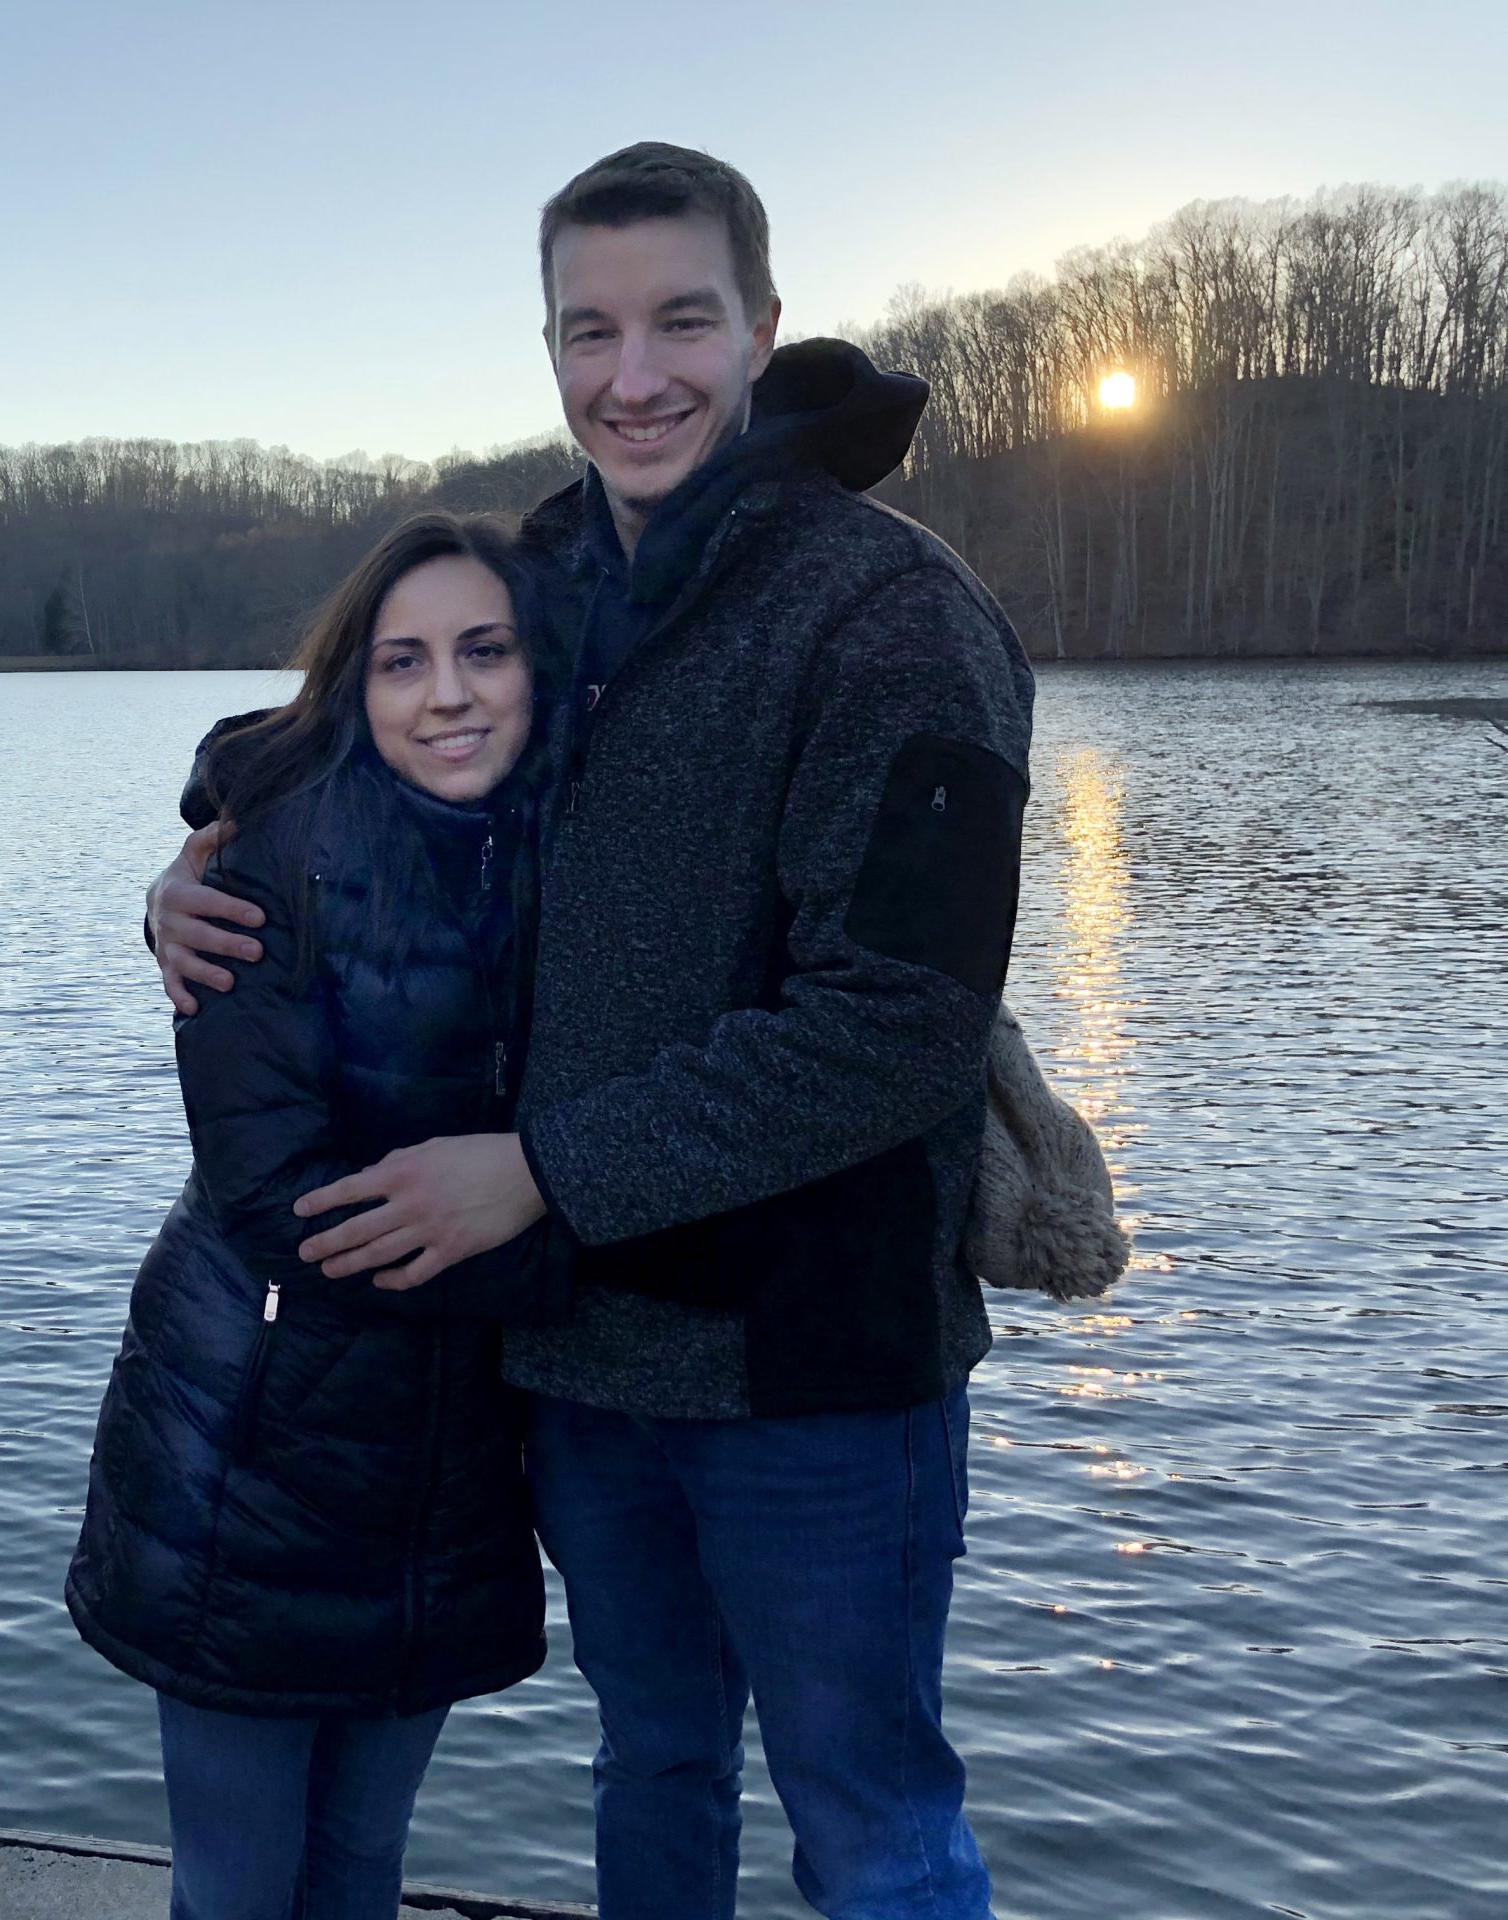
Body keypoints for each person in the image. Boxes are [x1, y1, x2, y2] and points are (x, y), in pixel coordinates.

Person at [149, 144, 1031, 1920]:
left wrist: (543, 1170)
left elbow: (904, 1025)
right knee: (655, 1758)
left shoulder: (898, 617)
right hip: (577, 1354)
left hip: (815, 1363)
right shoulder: (549, 577)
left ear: (761, 329)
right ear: (549, 347)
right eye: (589, 332)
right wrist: (205, 844)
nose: (634, 378)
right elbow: (346, 718)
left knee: (870, 1822)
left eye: (681, 323)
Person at [69, 513, 573, 1920]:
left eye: (486, 651)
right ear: (355, 683)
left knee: (361, 1870)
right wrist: (570, 1220)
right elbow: (279, 1203)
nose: (449, 693)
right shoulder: (265, 862)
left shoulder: (567, 858)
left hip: (446, 1475)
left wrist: (551, 1181)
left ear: (540, 671)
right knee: (239, 1886)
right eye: (404, 660)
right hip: (252, 1458)